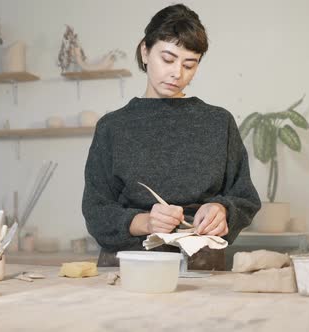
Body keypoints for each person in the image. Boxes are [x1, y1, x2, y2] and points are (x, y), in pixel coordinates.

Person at [82, 4, 260, 269]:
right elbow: (96, 212)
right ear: (145, 51)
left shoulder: (218, 122)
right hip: (130, 267)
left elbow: (244, 197)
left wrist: (222, 211)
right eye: (168, 59)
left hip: (202, 264)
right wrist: (146, 222)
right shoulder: (112, 127)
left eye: (190, 65)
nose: (178, 73)